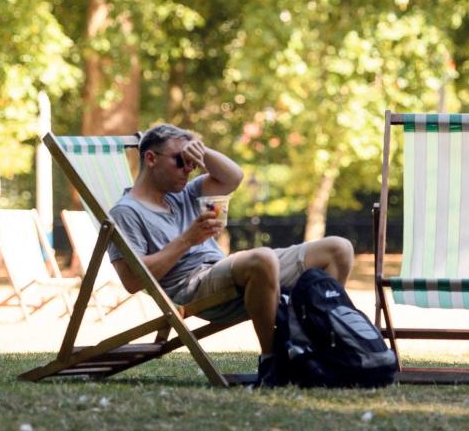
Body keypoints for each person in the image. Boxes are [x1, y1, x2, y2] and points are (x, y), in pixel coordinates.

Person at [108, 123, 354, 385]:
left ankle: (319, 348)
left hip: (226, 270)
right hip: (192, 287)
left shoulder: (186, 194)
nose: (189, 169)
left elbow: (234, 177)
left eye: (193, 162)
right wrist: (187, 240)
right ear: (150, 158)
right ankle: (274, 361)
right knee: (262, 258)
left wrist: (202, 152)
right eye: (182, 160)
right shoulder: (126, 212)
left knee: (339, 249)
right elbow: (132, 281)